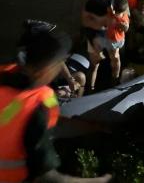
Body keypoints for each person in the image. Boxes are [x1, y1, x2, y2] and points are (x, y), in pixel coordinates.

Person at [0, 20, 111, 183]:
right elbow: (47, 177)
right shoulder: (38, 105)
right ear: (47, 68)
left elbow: (11, 119)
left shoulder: (5, 74)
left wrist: (95, 127)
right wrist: (99, 181)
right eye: (59, 64)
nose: (61, 68)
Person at [81, 0, 120, 90]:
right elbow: (85, 21)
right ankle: (90, 89)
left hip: (112, 35)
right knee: (94, 65)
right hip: (94, 35)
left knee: (115, 60)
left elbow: (121, 17)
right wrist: (101, 22)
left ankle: (115, 85)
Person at [93, 0, 129, 83]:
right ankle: (114, 74)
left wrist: (123, 26)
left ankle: (115, 76)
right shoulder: (119, 14)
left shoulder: (120, 18)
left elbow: (126, 27)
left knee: (114, 57)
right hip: (111, 39)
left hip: (114, 42)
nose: (110, 8)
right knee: (113, 56)